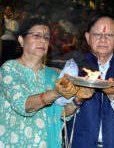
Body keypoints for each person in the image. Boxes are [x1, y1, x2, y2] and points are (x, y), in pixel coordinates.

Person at [0, 18, 94, 147]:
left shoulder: (54, 75)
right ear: (21, 40)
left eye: (46, 37)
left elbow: (61, 114)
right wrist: (55, 93)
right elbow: (23, 104)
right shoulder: (10, 68)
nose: (42, 40)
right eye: (36, 36)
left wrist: (78, 99)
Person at [56, 14, 114, 148]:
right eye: (97, 34)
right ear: (88, 38)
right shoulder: (74, 65)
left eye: (109, 35)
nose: (103, 39)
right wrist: (75, 94)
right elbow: (59, 102)